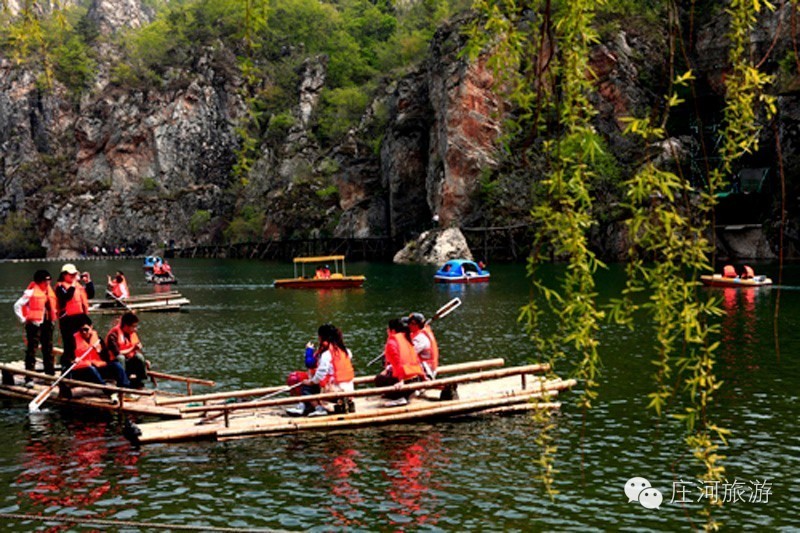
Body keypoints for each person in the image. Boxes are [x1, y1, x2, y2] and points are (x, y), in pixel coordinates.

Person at [287, 324, 355, 417]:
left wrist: (310, 382)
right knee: (315, 384)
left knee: (306, 387)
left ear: (322, 337)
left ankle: (319, 408)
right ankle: (304, 405)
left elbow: (319, 375)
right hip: (350, 391)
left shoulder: (326, 354)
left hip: (335, 392)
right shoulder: (347, 351)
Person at [61, 317, 130, 402]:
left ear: (91, 327)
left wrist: (100, 351)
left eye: (86, 329)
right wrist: (73, 359)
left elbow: (107, 358)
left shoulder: (98, 339)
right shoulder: (72, 340)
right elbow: (64, 359)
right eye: (81, 330)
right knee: (91, 369)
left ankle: (125, 389)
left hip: (97, 368)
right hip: (81, 372)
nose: (83, 332)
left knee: (116, 365)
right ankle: (108, 391)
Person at [14, 270, 58, 384]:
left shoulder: (49, 292)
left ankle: (50, 375)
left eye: (49, 279)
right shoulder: (30, 292)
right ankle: (29, 378)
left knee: (48, 349)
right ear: (40, 281)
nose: (49, 282)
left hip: (47, 323)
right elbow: (17, 305)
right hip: (34, 325)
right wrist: (23, 319)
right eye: (47, 280)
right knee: (31, 350)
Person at [375, 318, 424, 407]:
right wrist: (423, 377)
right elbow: (416, 361)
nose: (387, 331)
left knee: (378, 380)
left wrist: (401, 381)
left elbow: (398, 362)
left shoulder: (392, 342)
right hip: (416, 379)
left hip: (405, 382)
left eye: (388, 329)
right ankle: (408, 393)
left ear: (392, 330)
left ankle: (400, 397)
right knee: (388, 375)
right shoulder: (407, 338)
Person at [56, 264, 93, 370]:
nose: (73, 276)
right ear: (64, 275)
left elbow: (90, 295)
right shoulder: (60, 286)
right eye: (70, 274)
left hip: (80, 317)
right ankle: (66, 366)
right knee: (69, 345)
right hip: (67, 319)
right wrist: (73, 283)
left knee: (83, 342)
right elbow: (67, 297)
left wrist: (88, 282)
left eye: (74, 274)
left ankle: (83, 365)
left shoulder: (78, 285)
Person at [105, 312, 149, 389]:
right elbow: (117, 353)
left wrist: (144, 362)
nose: (135, 329)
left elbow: (136, 351)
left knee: (139, 357)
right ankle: (123, 383)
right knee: (121, 358)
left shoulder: (132, 334)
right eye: (133, 327)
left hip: (128, 362)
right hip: (114, 365)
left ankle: (140, 382)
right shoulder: (113, 335)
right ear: (126, 326)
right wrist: (133, 348)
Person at [407, 313, 439, 380]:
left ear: (419, 325)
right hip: (424, 367)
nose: (409, 325)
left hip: (427, 371)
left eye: (412, 323)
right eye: (408, 323)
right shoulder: (420, 333)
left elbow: (408, 355)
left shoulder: (420, 338)